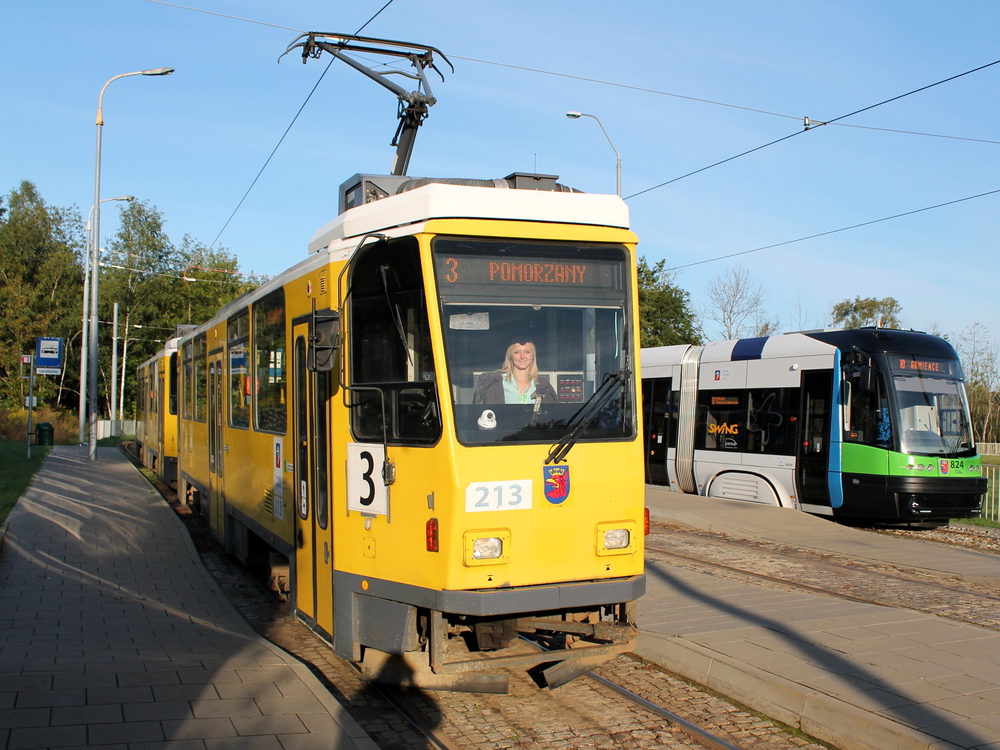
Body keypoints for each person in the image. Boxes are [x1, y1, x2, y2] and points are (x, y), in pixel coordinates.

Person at [474, 341, 558, 405]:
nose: (522, 356)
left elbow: (553, 415)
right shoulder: (496, 383)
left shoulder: (543, 385)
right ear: (511, 355)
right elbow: (489, 414)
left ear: (533, 356)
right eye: (517, 352)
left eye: (527, 352)